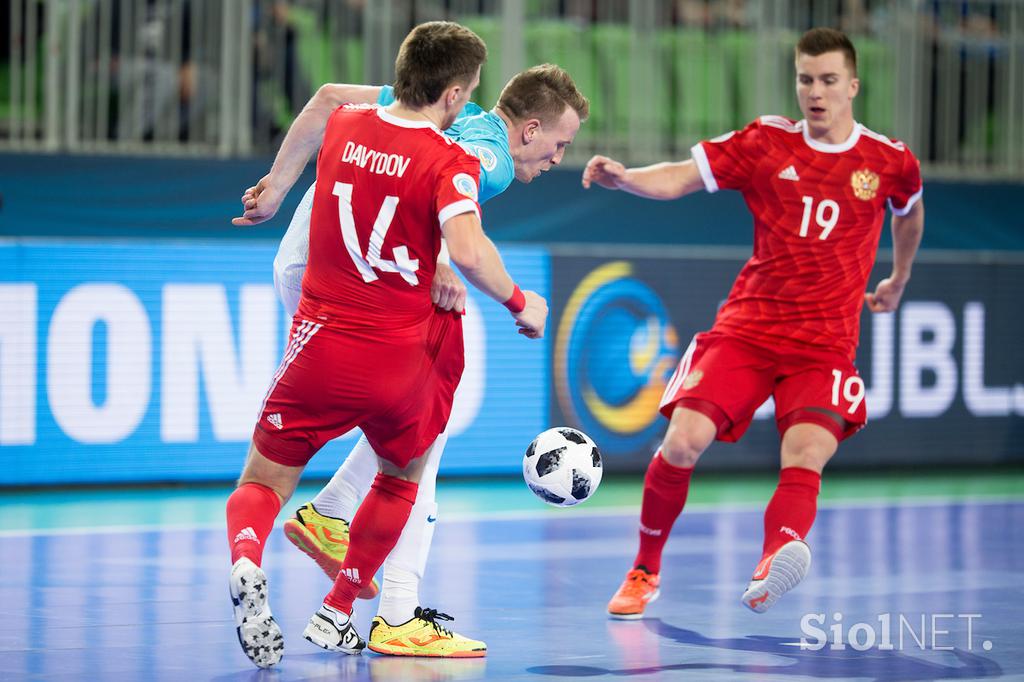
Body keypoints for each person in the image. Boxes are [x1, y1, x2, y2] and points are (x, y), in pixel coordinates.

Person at [224, 21, 548, 669]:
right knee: (417, 455)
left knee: (263, 477)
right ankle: (372, 610)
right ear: (456, 93)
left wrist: (275, 188)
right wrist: (511, 295)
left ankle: (282, 539)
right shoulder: (469, 157)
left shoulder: (349, 121)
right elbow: (463, 233)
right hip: (388, 329)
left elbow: (321, 101)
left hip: (318, 310)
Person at [582, 27, 924, 618]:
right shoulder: (767, 142)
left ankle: (774, 561)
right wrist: (627, 178)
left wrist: (899, 277)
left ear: (853, 86)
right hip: (749, 329)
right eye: (805, 79)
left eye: (828, 81)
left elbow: (910, 214)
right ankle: (645, 568)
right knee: (683, 444)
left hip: (823, 346)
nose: (815, 92)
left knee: (807, 453)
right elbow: (682, 175)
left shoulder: (888, 161)